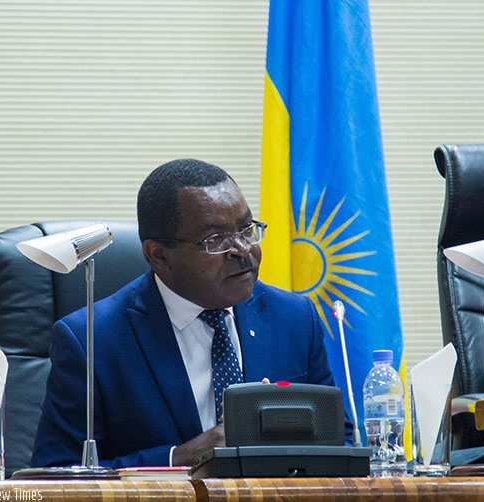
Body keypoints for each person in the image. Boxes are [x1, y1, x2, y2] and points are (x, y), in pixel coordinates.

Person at [31, 158, 344, 469]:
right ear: (159, 256)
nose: (243, 250)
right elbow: (55, 474)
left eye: (247, 229)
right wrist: (184, 456)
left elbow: (339, 440)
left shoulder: (295, 318)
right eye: (216, 240)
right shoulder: (91, 341)